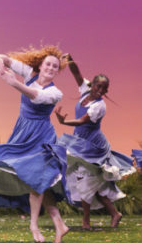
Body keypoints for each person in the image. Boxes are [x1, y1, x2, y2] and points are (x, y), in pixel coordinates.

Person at [0, 45, 70, 243]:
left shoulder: (55, 93)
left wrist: (14, 83)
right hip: (23, 134)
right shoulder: (29, 73)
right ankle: (59, 223)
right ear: (41, 65)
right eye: (48, 64)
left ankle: (34, 225)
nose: (51, 68)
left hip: (42, 138)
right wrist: (1, 66)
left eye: (55, 66)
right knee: (37, 180)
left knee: (36, 178)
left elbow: (37, 97)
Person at [55, 54, 135, 229]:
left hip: (94, 147)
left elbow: (83, 120)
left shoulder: (99, 106)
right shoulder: (84, 90)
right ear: (92, 84)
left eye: (104, 88)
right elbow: (76, 73)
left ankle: (86, 222)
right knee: (92, 182)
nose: (101, 89)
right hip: (80, 142)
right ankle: (115, 213)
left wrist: (64, 122)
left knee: (85, 180)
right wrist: (69, 59)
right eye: (98, 85)